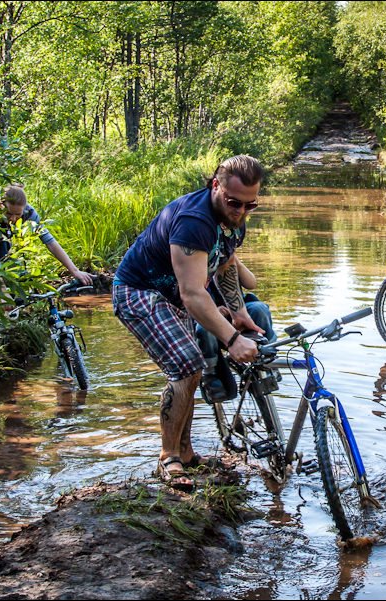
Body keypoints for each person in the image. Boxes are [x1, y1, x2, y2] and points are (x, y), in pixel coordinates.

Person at [112, 155, 264, 491]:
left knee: (192, 371)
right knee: (186, 366)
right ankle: (168, 459)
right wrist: (232, 340)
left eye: (249, 205)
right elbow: (193, 294)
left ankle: (187, 453)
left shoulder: (234, 220)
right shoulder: (194, 221)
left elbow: (223, 267)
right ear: (215, 186)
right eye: (233, 203)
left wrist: (238, 312)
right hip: (140, 292)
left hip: (173, 297)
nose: (240, 212)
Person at [0, 184, 93, 286]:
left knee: (5, 267)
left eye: (18, 215)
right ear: (2, 205)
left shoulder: (29, 212)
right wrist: (2, 292)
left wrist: (74, 271)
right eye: (10, 214)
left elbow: (49, 242)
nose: (14, 219)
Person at [196, 259, 276, 403]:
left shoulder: (225, 256)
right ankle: (210, 375)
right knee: (203, 328)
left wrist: (235, 261)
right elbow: (189, 297)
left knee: (259, 309)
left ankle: (269, 357)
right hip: (209, 319)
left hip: (240, 314)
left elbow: (251, 284)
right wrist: (213, 311)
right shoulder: (192, 266)